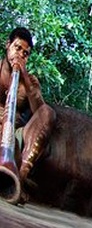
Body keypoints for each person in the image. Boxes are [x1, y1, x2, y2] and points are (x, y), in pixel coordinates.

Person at [0, 27, 55, 188]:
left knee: (48, 112)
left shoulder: (31, 82)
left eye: (25, 53)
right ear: (7, 45)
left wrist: (23, 75)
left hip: (14, 139)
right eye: (17, 48)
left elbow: (40, 112)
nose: (20, 54)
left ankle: (21, 176)